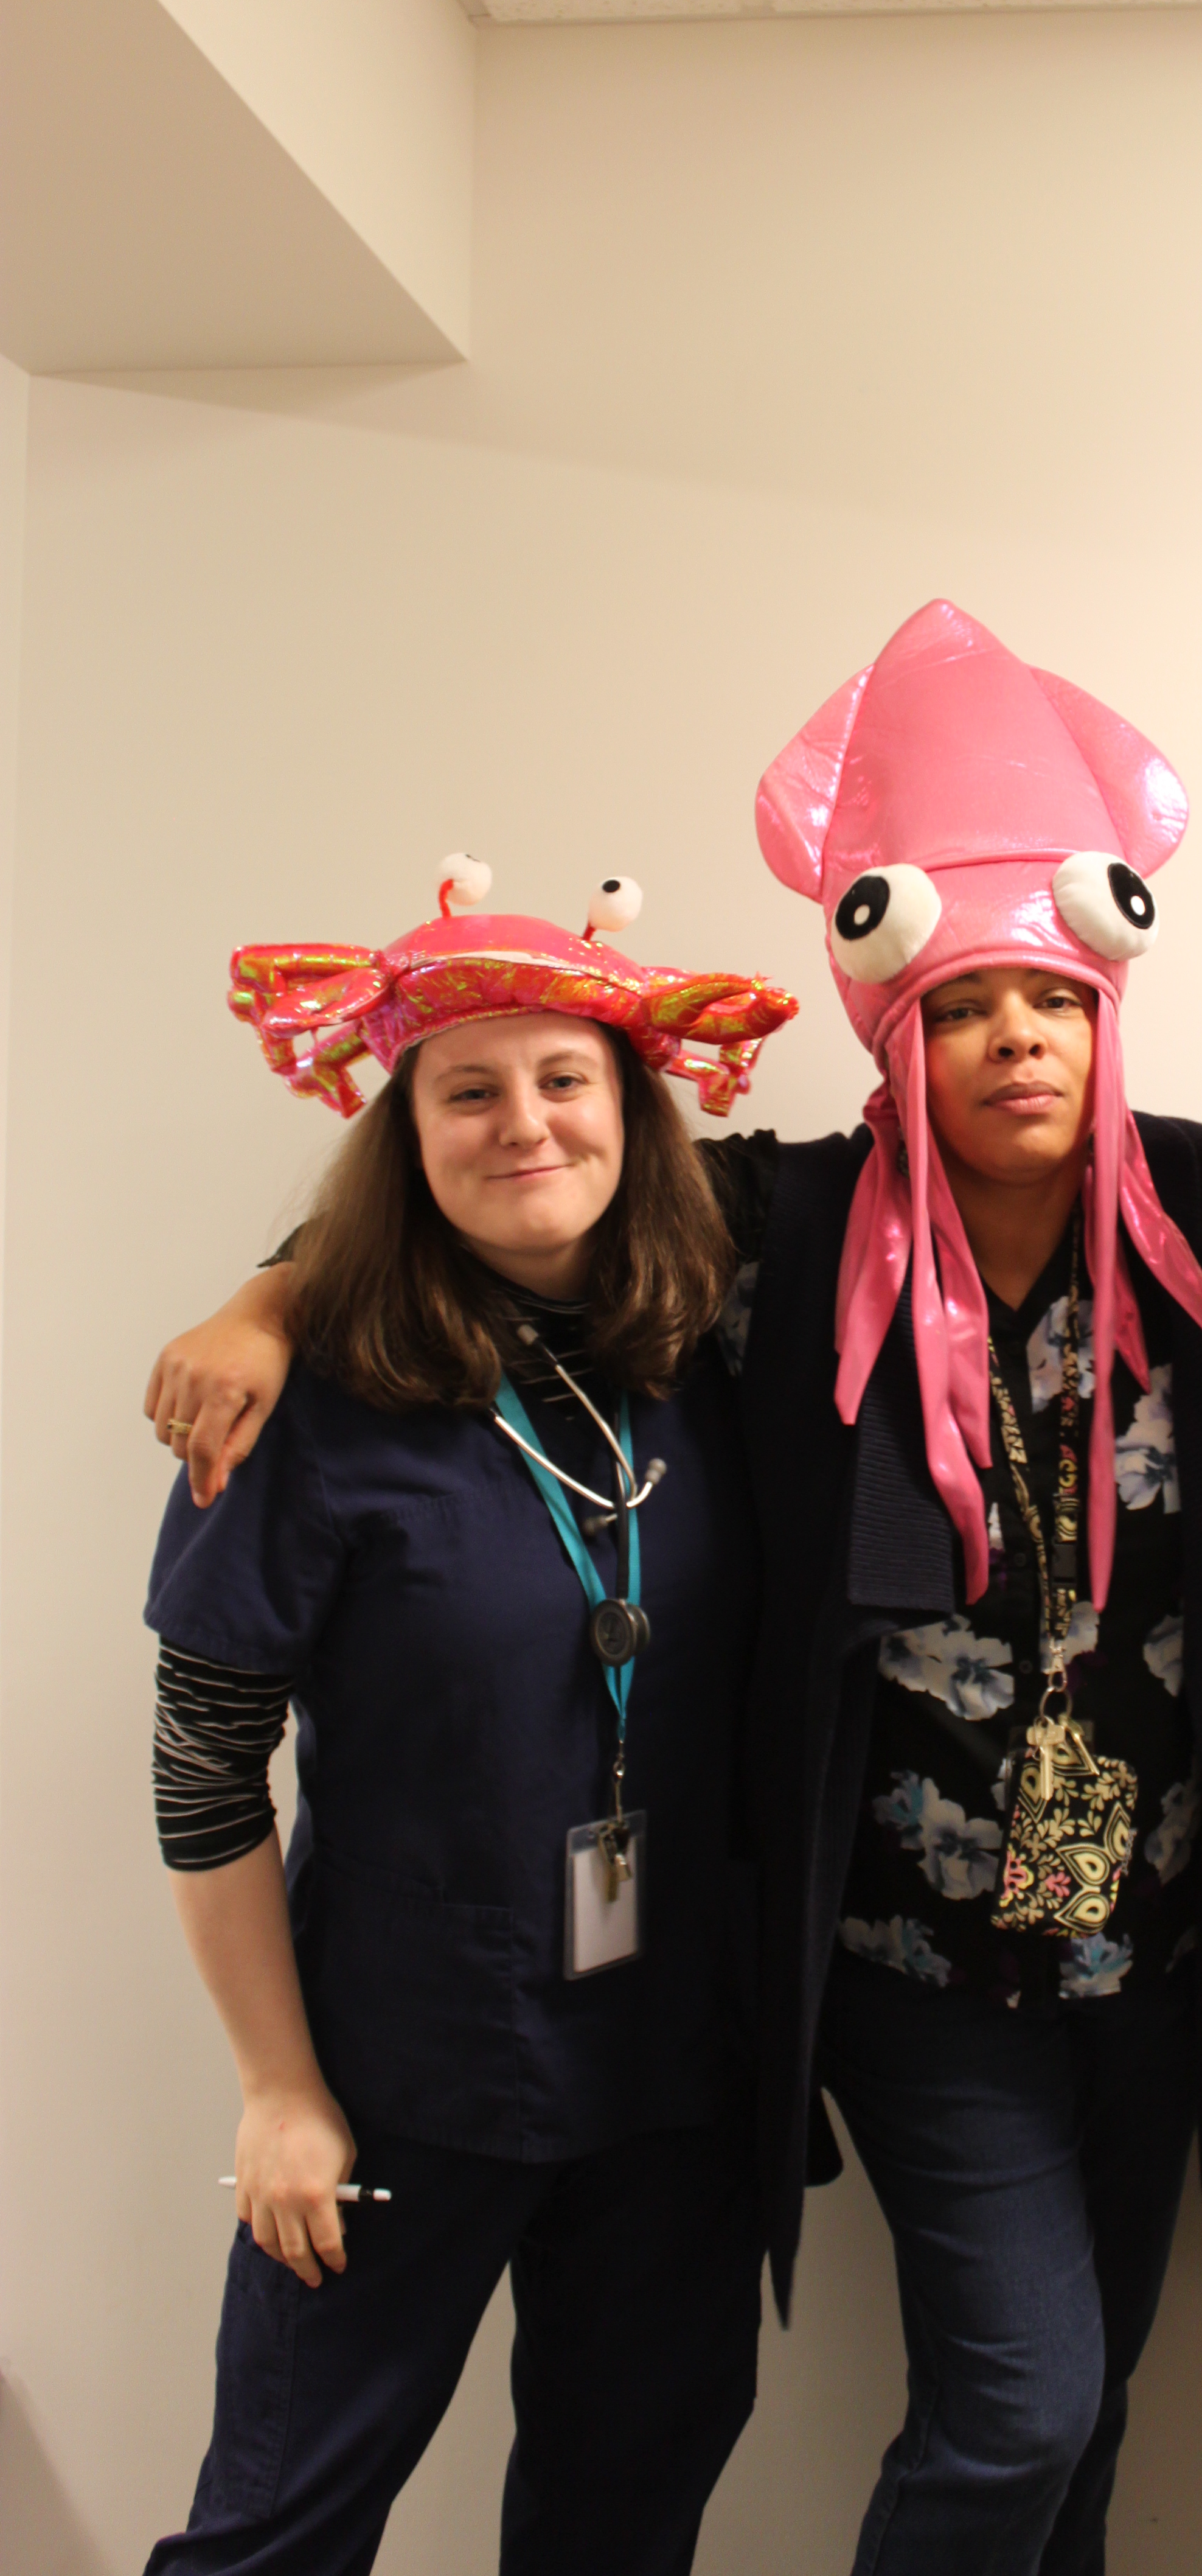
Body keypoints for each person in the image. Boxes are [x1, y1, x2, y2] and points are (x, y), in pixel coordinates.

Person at [147, 609, 1202, 2576]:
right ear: (895, 1030)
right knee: (1020, 2401)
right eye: (961, 1008)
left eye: (1049, 1000)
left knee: (1086, 2423)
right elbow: (530, 1192)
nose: (1013, 1039)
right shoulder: (785, 1224)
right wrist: (271, 1297)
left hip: (1158, 1942)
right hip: (914, 1954)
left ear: (1105, 1013)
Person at [141, 864, 796, 2576]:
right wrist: (278, 2090)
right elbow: (203, 1768)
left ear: (630, 1107)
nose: (526, 1124)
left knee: (622, 2527)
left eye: (565, 1078)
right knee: (276, 2534)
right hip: (396, 2073)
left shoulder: (712, 1341)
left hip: (669, 2073)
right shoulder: (304, 1399)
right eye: (468, 1090)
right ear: (405, 1130)